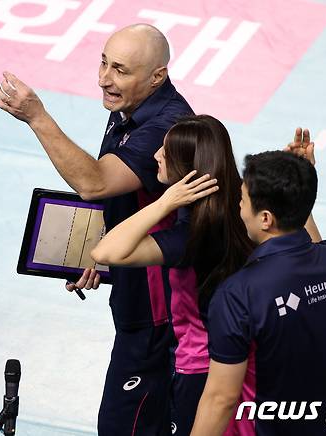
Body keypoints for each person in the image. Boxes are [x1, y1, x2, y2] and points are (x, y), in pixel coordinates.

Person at [0, 23, 194, 435]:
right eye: (104, 63)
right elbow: (130, 199)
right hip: (134, 294)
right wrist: (101, 250)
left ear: (157, 76)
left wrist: (37, 117)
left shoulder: (165, 127)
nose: (105, 78)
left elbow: (96, 182)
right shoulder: (130, 109)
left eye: (120, 70)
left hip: (158, 317)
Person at [91, 114, 255, 436]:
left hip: (199, 367)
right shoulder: (239, 209)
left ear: (186, 170)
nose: (155, 156)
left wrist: (165, 201)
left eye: (164, 152)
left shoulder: (189, 237)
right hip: (243, 359)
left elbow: (106, 252)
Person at [191, 139, 326, 436]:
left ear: (266, 218)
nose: (239, 207)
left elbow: (221, 399)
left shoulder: (238, 294)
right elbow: (310, 245)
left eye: (242, 200)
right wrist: (298, 181)